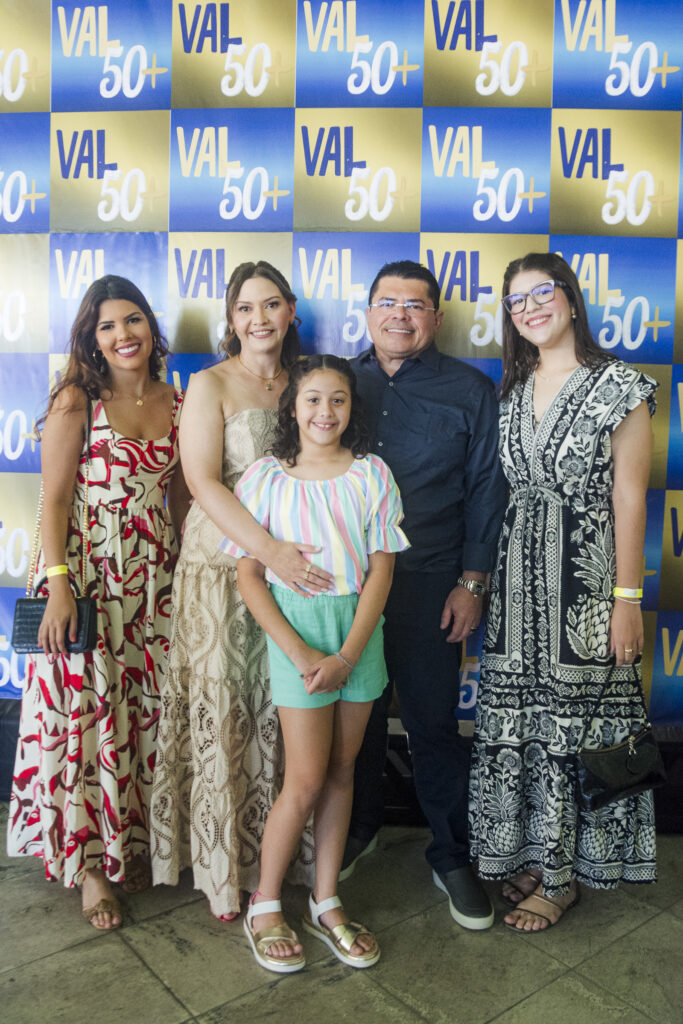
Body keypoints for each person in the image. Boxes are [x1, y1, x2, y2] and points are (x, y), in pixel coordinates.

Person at [469, 252, 658, 931]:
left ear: (570, 298)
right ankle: (534, 855)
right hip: (515, 593)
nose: (529, 308)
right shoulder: (511, 392)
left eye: (540, 293)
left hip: (585, 587)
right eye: (516, 301)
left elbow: (629, 496)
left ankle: (564, 877)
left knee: (573, 730)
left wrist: (626, 598)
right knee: (520, 724)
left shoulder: (619, 386)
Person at [7, 275, 189, 930]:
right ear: (90, 339)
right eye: (107, 326)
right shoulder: (76, 399)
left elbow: (180, 498)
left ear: (150, 326)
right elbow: (52, 502)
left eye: (132, 320)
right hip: (86, 580)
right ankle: (88, 870)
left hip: (152, 584)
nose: (123, 335)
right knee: (85, 725)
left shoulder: (179, 400)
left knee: (141, 723)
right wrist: (58, 584)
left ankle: (129, 845)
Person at [221, 354, 409, 973]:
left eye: (337, 400)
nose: (324, 412)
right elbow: (250, 575)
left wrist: (349, 654)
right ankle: (266, 902)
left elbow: (381, 567)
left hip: (358, 635)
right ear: (292, 408)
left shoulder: (373, 475)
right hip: (296, 636)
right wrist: (303, 655)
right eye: (312, 400)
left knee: (342, 770)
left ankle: (326, 900)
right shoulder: (266, 480)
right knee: (302, 779)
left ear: (352, 409)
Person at [150, 262, 325, 920]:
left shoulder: (307, 383)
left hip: (297, 572)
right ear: (231, 319)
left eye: (270, 304)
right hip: (223, 568)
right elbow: (201, 480)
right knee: (225, 714)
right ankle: (225, 872)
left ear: (289, 311)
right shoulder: (208, 383)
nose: (259, 318)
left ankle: (278, 868)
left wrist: (290, 555)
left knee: (283, 718)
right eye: (246, 307)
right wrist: (266, 548)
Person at [345, 260, 507, 930]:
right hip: (344, 589)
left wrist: (472, 582)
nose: (400, 315)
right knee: (350, 727)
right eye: (388, 302)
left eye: (416, 305)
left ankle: (450, 854)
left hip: (429, 582)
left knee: (433, 725)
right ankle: (356, 833)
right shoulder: (335, 382)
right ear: (368, 311)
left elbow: (485, 493)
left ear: (435, 318)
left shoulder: (469, 389)